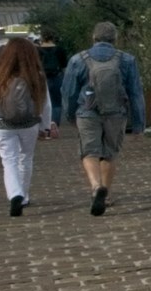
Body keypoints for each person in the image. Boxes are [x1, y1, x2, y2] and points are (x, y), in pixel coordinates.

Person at [59, 21, 146, 216]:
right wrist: (139, 124)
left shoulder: (78, 60)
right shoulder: (127, 60)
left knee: (89, 152)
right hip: (116, 113)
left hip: (87, 111)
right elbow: (136, 93)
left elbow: (69, 92)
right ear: (115, 39)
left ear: (94, 37)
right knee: (110, 152)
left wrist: (70, 114)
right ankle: (106, 194)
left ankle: (96, 186)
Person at [0, 37, 53, 218]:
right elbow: (45, 103)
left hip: (3, 123)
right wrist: (45, 126)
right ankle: (24, 196)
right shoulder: (36, 74)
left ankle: (15, 194)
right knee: (26, 158)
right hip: (29, 123)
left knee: (9, 161)